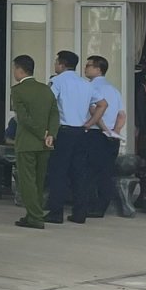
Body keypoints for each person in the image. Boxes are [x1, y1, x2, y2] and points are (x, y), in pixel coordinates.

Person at [9, 54, 58, 230]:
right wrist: (50, 134)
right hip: (45, 144)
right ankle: (32, 214)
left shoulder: (17, 90)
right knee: (38, 180)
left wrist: (40, 133)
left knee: (27, 181)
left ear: (19, 70)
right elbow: (55, 113)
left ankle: (35, 217)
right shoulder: (46, 89)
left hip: (27, 142)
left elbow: (23, 118)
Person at [46, 50, 94, 224]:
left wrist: (48, 130)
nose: (55, 64)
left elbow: (48, 104)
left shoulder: (57, 81)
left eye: (56, 62)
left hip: (64, 131)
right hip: (81, 132)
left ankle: (55, 212)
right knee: (79, 173)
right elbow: (101, 104)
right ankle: (80, 213)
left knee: (58, 173)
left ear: (62, 64)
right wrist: (90, 123)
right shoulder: (86, 84)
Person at [85, 55, 130, 218]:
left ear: (98, 69)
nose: (85, 68)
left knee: (90, 171)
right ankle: (102, 206)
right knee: (106, 172)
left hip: (95, 133)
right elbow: (122, 115)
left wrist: (104, 129)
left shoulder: (91, 87)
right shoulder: (113, 90)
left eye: (88, 65)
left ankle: (91, 206)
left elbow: (94, 111)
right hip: (112, 136)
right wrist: (115, 131)